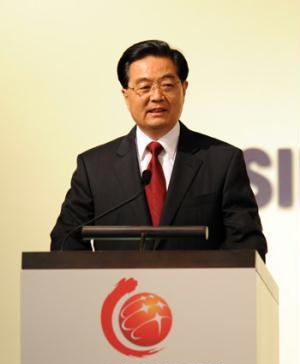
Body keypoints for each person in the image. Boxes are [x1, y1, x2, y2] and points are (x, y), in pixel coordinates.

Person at [50, 39, 267, 259]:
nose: (156, 96)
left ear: (184, 88)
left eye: (167, 85)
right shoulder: (94, 168)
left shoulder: (222, 162)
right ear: (126, 95)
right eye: (144, 87)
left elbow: (247, 247)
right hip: (121, 292)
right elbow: (65, 242)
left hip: (198, 292)